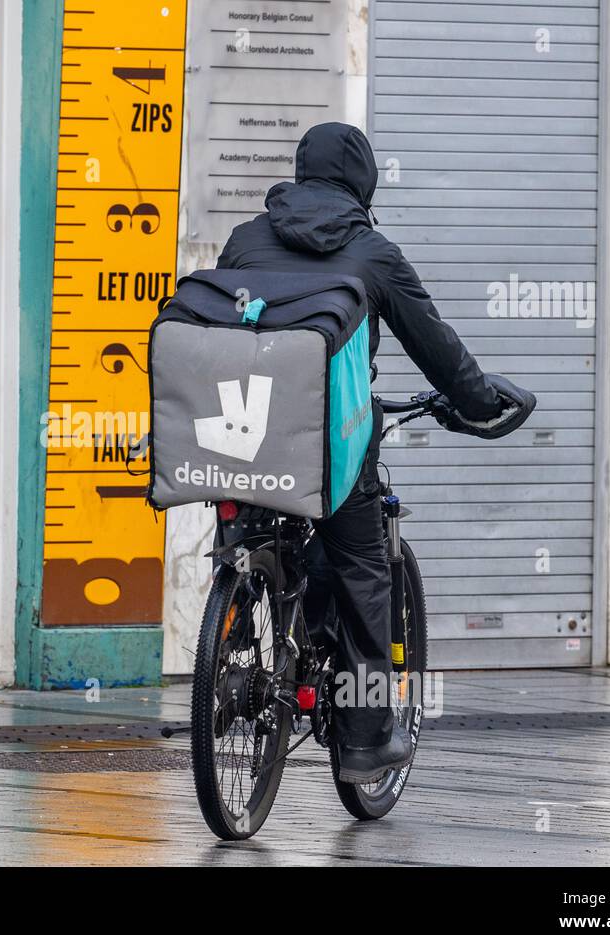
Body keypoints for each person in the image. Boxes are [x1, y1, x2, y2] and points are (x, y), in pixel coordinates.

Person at [215, 122, 510, 783]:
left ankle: (232, 637)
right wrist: (480, 398)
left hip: (239, 436)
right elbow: (434, 345)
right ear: (364, 183)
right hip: (332, 447)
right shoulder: (372, 253)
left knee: (246, 528)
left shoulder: (243, 241)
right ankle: (368, 733)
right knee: (364, 567)